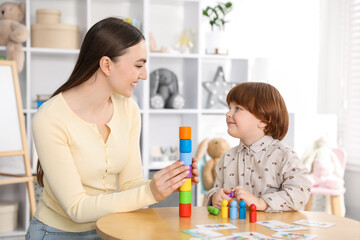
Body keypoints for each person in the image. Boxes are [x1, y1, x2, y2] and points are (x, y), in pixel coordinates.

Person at [26, 17, 199, 240]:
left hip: (110, 228)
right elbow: (76, 208)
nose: (145, 74)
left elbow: (129, 185)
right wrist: (150, 193)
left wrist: (166, 182)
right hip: (57, 233)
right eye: (138, 65)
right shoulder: (50, 118)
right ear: (107, 65)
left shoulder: (128, 109)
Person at [205, 82, 311, 212]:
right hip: (234, 230)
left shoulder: (283, 154)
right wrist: (215, 197)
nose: (228, 113)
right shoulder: (227, 157)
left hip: (271, 230)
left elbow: (301, 192)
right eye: (229, 107)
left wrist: (261, 202)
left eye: (237, 108)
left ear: (263, 120)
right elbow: (216, 189)